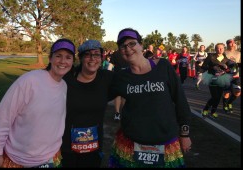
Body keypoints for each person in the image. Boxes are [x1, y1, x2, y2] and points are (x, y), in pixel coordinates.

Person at [108, 28, 192, 168]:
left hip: (165, 141)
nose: (128, 49)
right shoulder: (121, 77)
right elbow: (98, 96)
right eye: (123, 46)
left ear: (141, 45)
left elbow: (180, 100)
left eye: (132, 44)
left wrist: (185, 134)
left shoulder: (163, 67)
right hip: (131, 142)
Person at [0, 38, 76, 168]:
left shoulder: (63, 86)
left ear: (73, 61)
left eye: (68, 57)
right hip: (18, 159)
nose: (63, 61)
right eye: (58, 56)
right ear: (50, 58)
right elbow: (3, 117)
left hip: (51, 157)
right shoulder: (30, 80)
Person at [61, 40, 114, 168]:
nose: (92, 59)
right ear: (80, 58)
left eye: (96, 54)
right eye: (87, 55)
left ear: (101, 58)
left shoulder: (108, 78)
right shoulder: (66, 79)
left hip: (93, 148)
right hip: (67, 147)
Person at [201, 43, 235, 119]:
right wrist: (209, 69)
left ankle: (213, 111)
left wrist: (227, 69)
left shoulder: (226, 58)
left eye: (221, 48)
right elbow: (204, 66)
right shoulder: (210, 57)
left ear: (224, 49)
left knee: (218, 97)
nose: (220, 50)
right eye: (218, 48)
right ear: (215, 49)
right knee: (214, 96)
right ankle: (205, 109)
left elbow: (231, 68)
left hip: (222, 78)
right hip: (211, 77)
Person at [222, 39, 241, 113]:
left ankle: (229, 103)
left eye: (234, 43)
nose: (233, 44)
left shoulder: (238, 53)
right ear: (227, 44)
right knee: (226, 93)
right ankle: (225, 106)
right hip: (226, 75)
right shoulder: (224, 53)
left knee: (237, 92)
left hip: (236, 75)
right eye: (231, 43)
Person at [109, 49, 129, 121]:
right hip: (123, 76)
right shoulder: (127, 52)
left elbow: (110, 66)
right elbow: (110, 65)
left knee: (120, 95)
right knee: (121, 95)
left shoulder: (116, 53)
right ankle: (119, 113)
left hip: (122, 76)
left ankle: (119, 113)